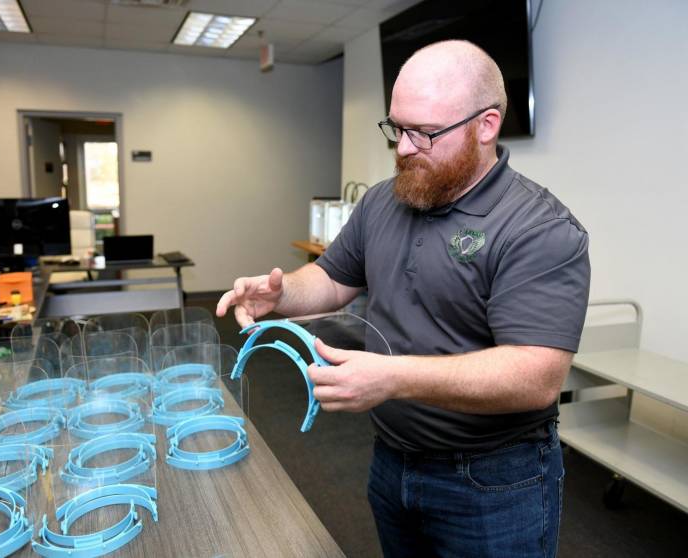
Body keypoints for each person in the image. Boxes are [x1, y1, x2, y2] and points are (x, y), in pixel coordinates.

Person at [216, 40, 590, 558]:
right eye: (397, 127)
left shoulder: (539, 229)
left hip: (493, 480)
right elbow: (331, 278)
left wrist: (392, 378)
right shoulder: (385, 199)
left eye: (425, 132)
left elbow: (536, 378)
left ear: (486, 126)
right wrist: (280, 294)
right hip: (393, 460)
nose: (404, 148)